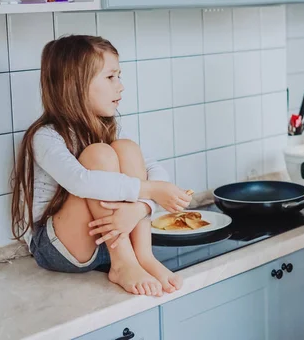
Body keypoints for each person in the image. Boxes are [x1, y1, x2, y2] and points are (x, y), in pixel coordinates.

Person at [11, 35, 192, 296]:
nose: (121, 86)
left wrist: (140, 207)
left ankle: (143, 256)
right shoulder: (46, 136)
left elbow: (154, 172)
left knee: (127, 149)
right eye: (110, 77)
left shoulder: (107, 126)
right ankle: (123, 264)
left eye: (119, 76)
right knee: (99, 155)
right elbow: (80, 182)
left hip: (108, 239)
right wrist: (150, 192)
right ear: (74, 84)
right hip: (58, 247)